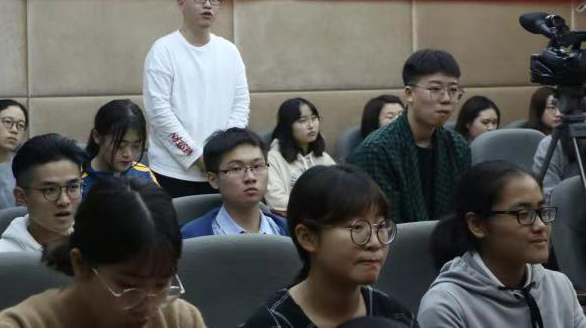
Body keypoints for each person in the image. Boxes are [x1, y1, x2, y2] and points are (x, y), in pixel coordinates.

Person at [0, 178, 206, 328]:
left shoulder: (180, 320)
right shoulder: (21, 324)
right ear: (80, 264)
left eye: (161, 286)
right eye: (128, 287)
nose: (148, 309)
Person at [241, 165, 417, 327]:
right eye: (357, 228)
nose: (375, 243)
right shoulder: (272, 323)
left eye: (381, 227)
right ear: (307, 238)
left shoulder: (396, 316)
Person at [418, 161, 585, 327]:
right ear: (477, 225)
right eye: (523, 214)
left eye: (542, 211)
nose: (540, 225)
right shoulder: (447, 307)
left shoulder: (558, 286)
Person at [143, 0, 250, 198]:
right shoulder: (163, 50)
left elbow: (241, 105)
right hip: (173, 172)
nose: (208, 5)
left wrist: (224, 153)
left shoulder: (229, 51)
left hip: (222, 169)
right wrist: (196, 157)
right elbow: (160, 114)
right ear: (181, 2)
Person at [348, 49, 471, 223]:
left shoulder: (457, 145)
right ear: (409, 94)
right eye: (435, 89)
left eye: (453, 90)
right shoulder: (377, 150)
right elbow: (383, 225)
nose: (446, 99)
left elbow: (464, 211)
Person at [0, 133, 86, 254]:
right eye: (50, 190)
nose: (64, 201)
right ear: (21, 197)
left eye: (73, 187)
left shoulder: (97, 244)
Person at [180, 128, 287, 238]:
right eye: (236, 169)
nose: (250, 177)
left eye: (257, 166)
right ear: (213, 179)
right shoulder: (192, 237)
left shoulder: (288, 231)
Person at [267, 98, 335, 216]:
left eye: (314, 118)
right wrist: (317, 205)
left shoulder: (323, 157)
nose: (311, 125)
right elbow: (275, 199)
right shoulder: (273, 158)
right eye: (303, 120)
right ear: (287, 126)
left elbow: (340, 190)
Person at [81, 99, 157, 196]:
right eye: (120, 145)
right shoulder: (76, 181)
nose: (128, 154)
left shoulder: (144, 175)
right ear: (97, 137)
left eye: (136, 146)